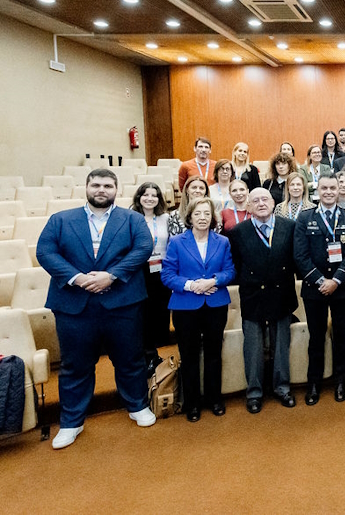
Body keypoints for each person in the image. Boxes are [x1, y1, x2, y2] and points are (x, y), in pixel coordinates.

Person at [37, 169, 156, 449]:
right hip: (73, 305)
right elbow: (45, 252)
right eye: (96, 185)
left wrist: (110, 275)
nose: (101, 190)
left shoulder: (132, 219)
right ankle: (71, 422)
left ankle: (137, 405)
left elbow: (143, 248)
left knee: (130, 359)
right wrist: (78, 278)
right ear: (87, 187)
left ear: (116, 189)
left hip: (122, 301)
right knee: (75, 366)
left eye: (107, 185)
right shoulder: (61, 220)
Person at [161, 196, 234, 422]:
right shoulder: (176, 242)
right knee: (189, 355)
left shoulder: (222, 241)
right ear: (189, 217)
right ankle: (192, 403)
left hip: (215, 304)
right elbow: (167, 275)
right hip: (186, 306)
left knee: (213, 354)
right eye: (197, 213)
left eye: (206, 213)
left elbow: (230, 271)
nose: (202, 218)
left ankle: (214, 399)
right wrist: (193, 285)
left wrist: (213, 281)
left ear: (212, 217)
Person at [229, 188, 299, 414]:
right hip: (253, 295)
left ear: (273, 202)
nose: (261, 203)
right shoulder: (238, 232)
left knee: (281, 345)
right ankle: (254, 392)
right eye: (255, 200)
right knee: (253, 347)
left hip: (282, 294)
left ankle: (282, 387)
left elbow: (295, 259)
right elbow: (236, 266)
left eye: (265, 199)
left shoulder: (289, 227)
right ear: (248, 206)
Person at [294, 174, 345, 405]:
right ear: (317, 190)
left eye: (333, 187)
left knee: (342, 336)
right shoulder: (305, 218)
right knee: (316, 337)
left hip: (342, 288)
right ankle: (314, 384)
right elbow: (300, 256)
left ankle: (342, 381)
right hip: (315, 289)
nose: (329, 192)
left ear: (340, 190)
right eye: (325, 188)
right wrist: (322, 281)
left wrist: (336, 281)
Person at [131, 182, 171, 374]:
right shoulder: (131, 218)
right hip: (140, 270)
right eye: (145, 195)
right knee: (143, 312)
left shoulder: (165, 218)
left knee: (159, 313)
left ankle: (153, 352)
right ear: (139, 198)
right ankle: (144, 353)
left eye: (154, 195)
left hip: (161, 269)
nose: (150, 198)